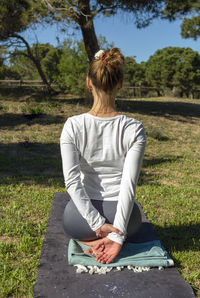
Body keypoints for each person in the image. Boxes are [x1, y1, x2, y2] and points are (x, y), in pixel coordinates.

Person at [60, 48, 146, 265]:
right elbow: (129, 184)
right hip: (126, 219)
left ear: (88, 82)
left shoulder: (73, 125)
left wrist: (96, 223)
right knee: (135, 220)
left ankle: (95, 240)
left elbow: (71, 182)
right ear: (120, 84)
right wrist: (117, 232)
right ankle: (114, 240)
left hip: (81, 220)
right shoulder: (134, 128)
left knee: (69, 220)